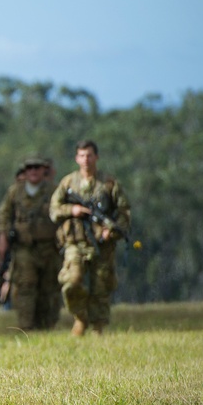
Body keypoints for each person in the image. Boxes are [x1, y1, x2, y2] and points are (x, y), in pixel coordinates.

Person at [49, 140, 131, 336]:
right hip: (75, 242)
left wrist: (111, 232)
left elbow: (123, 211)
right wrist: (72, 210)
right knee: (72, 281)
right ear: (77, 158)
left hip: (102, 244)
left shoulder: (109, 184)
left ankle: (98, 327)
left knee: (101, 287)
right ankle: (80, 317)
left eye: (89, 155)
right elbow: (54, 210)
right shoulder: (68, 183)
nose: (86, 160)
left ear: (97, 157)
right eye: (82, 155)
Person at [0, 156, 61, 330]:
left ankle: (47, 325)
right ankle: (26, 325)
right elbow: (4, 215)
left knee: (48, 287)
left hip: (49, 247)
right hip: (24, 248)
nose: (33, 171)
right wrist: (2, 238)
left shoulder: (54, 191)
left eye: (37, 167)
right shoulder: (15, 192)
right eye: (29, 168)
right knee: (25, 285)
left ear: (43, 170)